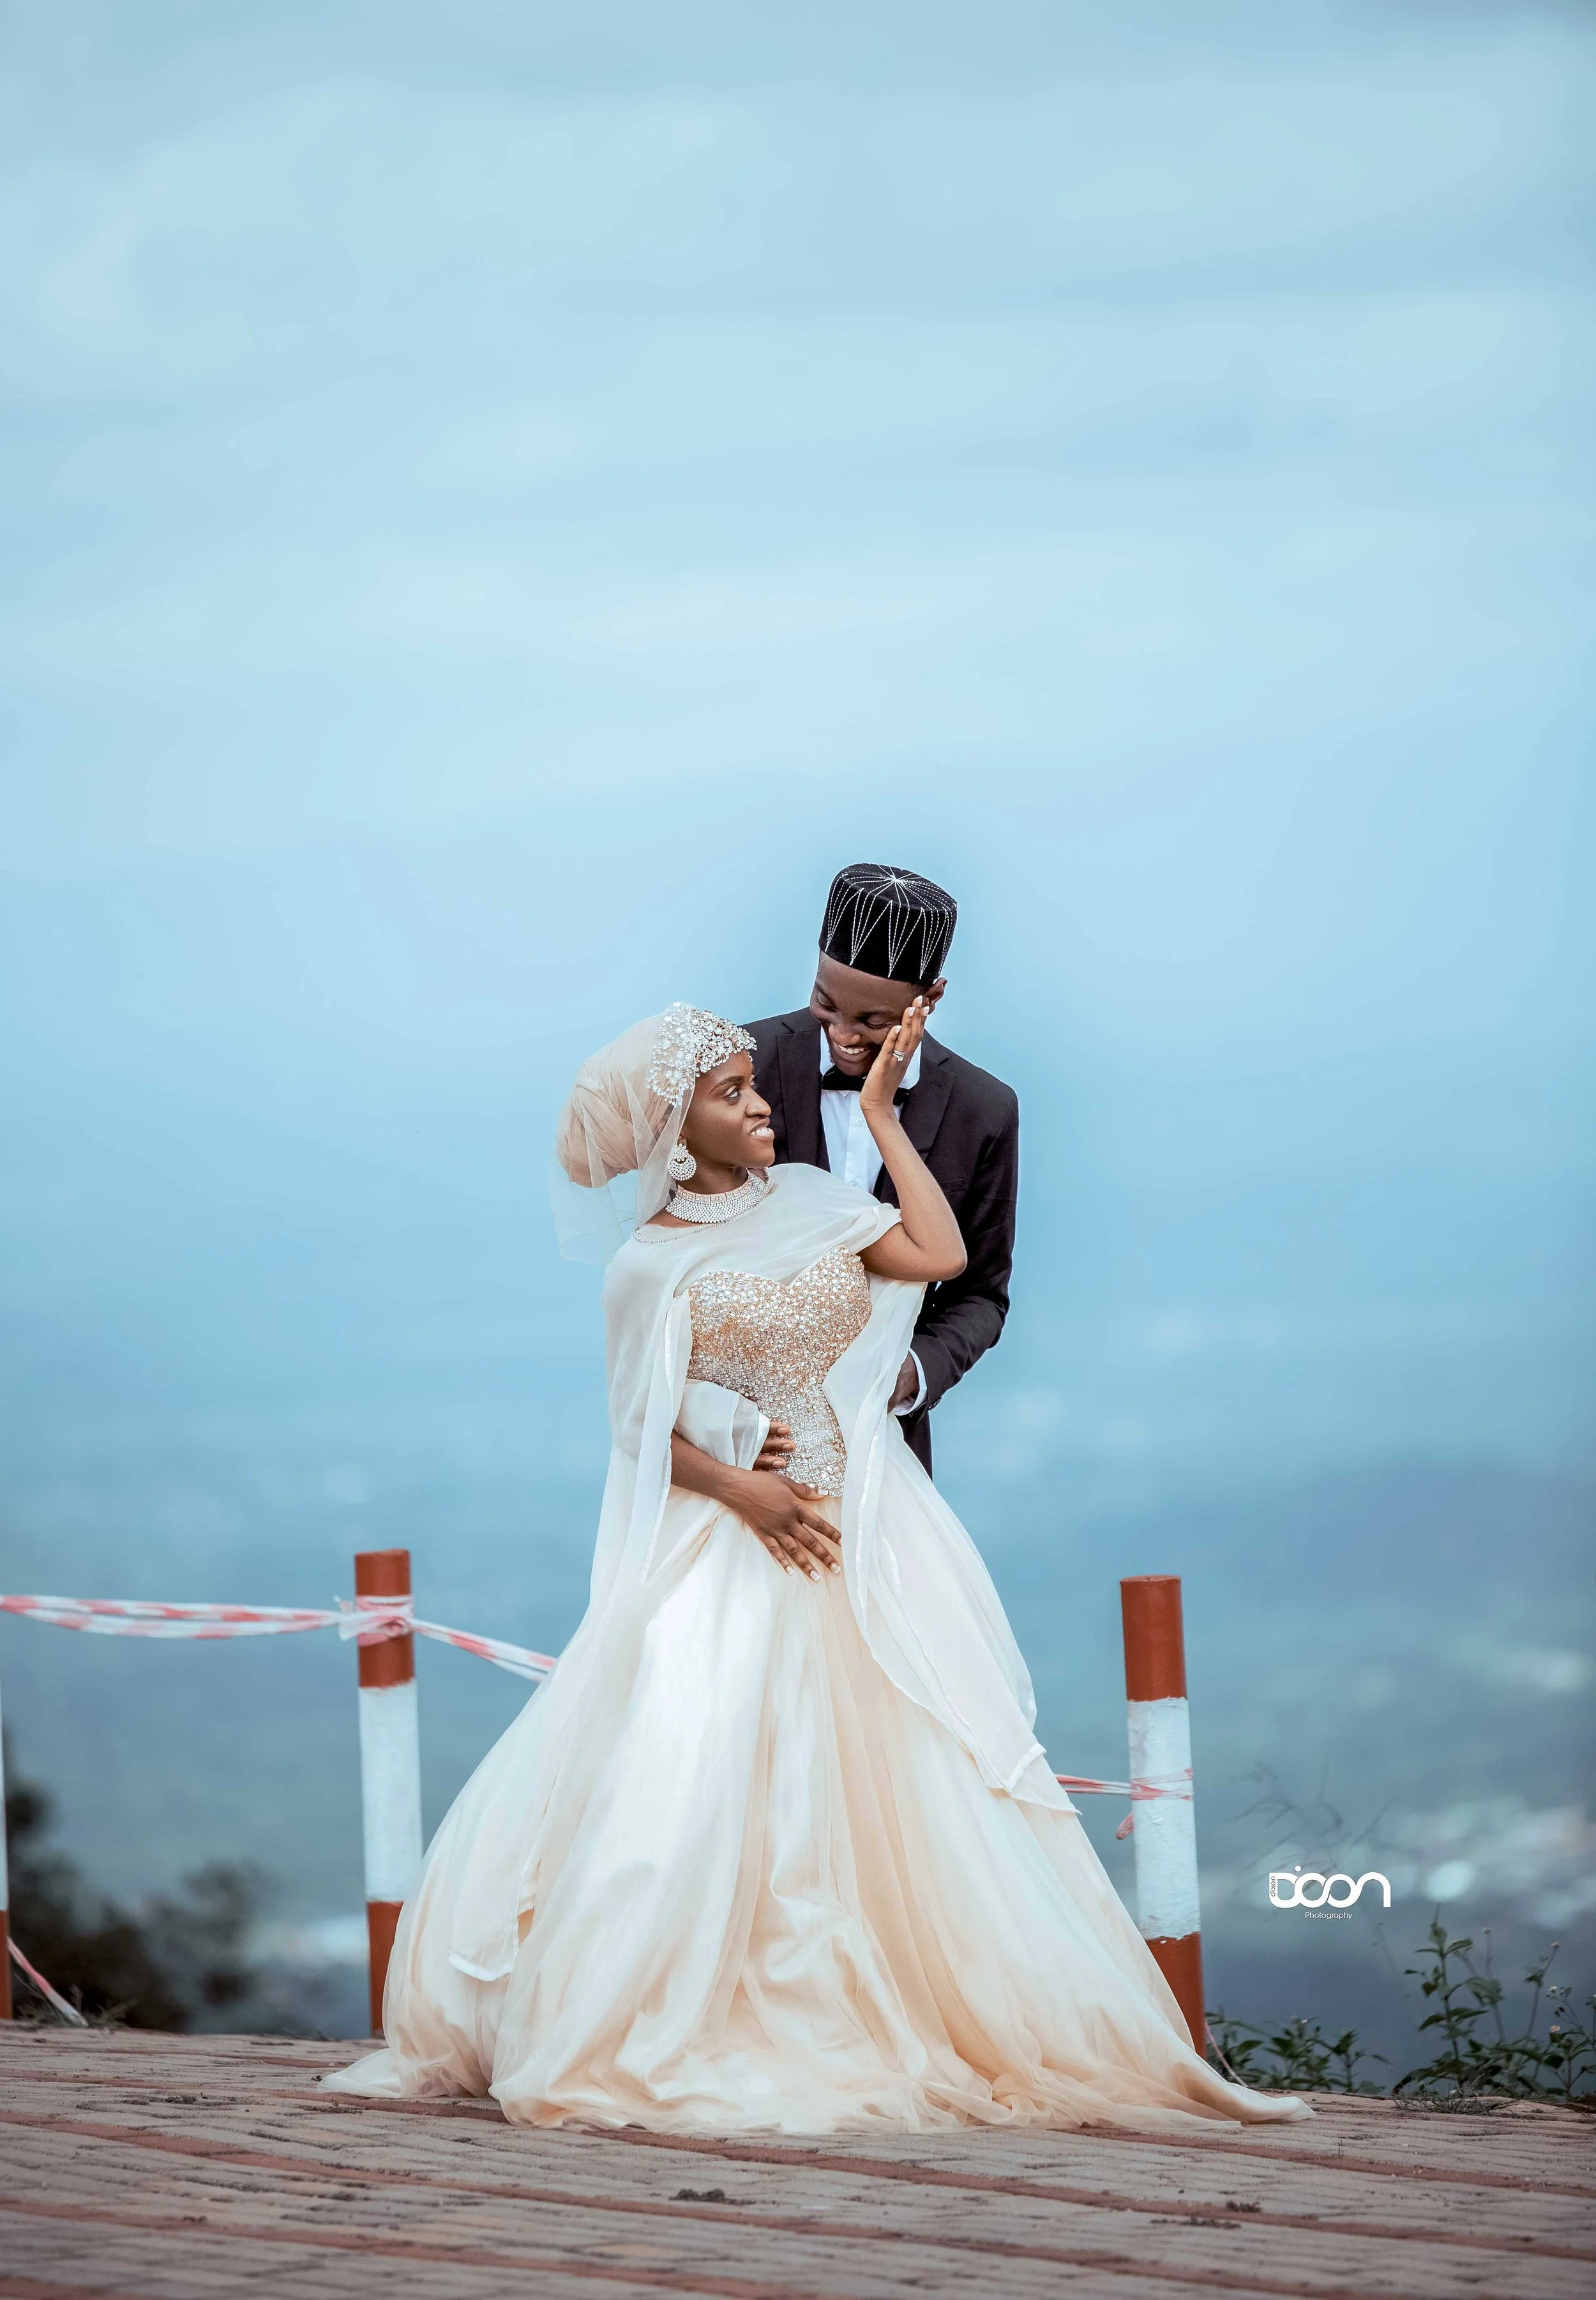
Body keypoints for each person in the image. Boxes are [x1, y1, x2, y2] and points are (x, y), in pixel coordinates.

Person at [324, 1001, 1306, 2134]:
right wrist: (749, 1491)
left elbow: (939, 1256)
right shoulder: (647, 1267)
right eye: (731, 1092)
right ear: (669, 1128)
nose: (761, 1104)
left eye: (754, 1084)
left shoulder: (816, 1202)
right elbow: (639, 1432)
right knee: (710, 1769)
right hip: (742, 1545)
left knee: (914, 1772)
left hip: (874, 1531)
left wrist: (885, 1116)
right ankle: (699, 2003)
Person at [746, 862, 1014, 1474]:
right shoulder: (741, 1067)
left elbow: (981, 1293)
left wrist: (911, 1373)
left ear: (932, 998)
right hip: (749, 1440)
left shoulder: (985, 1110)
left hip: (884, 1450)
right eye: (825, 1003)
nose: (842, 1035)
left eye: (872, 1021)